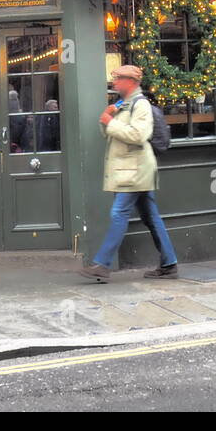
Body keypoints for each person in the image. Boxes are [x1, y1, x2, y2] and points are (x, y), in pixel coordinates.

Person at [79, 65, 179, 282]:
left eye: (118, 79)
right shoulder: (123, 104)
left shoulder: (140, 104)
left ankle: (102, 264)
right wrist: (105, 119)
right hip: (130, 170)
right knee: (151, 217)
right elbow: (111, 134)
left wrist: (111, 122)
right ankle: (169, 263)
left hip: (135, 171)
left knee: (119, 213)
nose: (114, 82)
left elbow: (138, 135)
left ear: (130, 81)